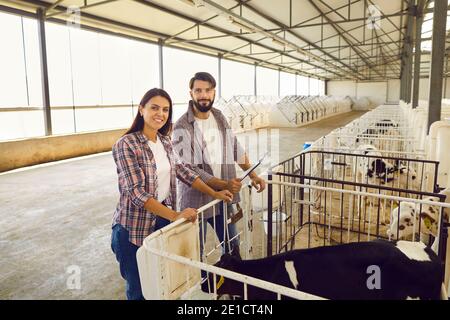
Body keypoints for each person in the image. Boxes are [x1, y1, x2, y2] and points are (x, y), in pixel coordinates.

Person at [110, 88, 233, 300]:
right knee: (140, 289)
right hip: (132, 228)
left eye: (165, 109)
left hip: (161, 221)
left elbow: (184, 171)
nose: (161, 113)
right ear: (141, 110)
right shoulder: (126, 144)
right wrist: (175, 215)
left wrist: (215, 192)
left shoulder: (165, 142)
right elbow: (137, 193)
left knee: (164, 282)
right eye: (154, 108)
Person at [172, 72, 266, 259]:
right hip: (196, 200)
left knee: (232, 244)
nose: (203, 95)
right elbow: (190, 168)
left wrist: (252, 173)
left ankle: (233, 283)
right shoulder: (182, 126)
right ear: (191, 93)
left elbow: (234, 145)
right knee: (196, 251)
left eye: (208, 90)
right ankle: (203, 285)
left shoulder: (218, 115)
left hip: (222, 198)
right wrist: (225, 185)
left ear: (214, 92)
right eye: (198, 90)